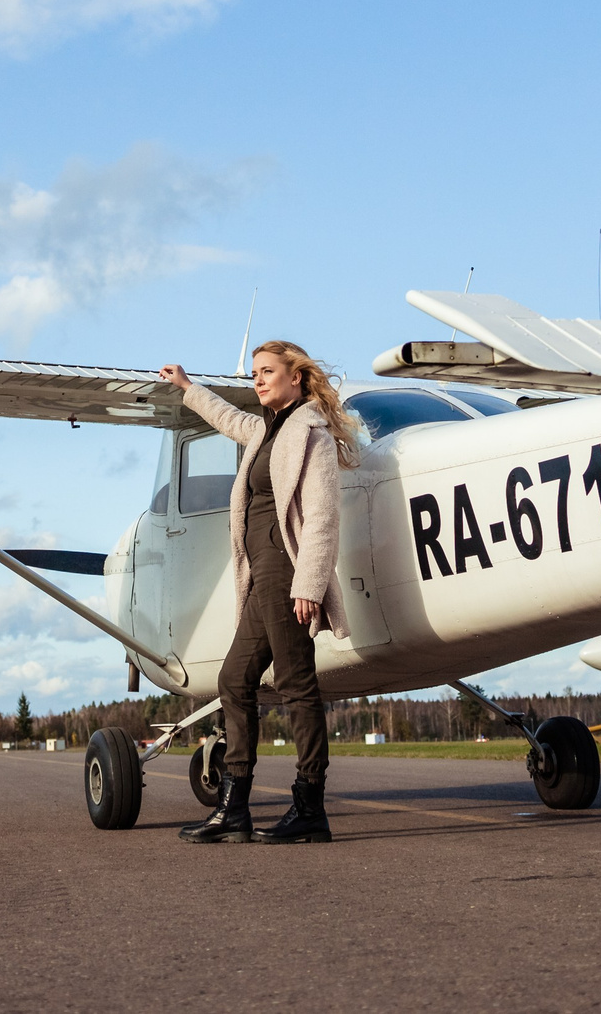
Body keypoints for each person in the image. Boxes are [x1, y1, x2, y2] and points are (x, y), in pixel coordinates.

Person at [158, 340, 360, 844]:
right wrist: (188, 388)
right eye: (254, 374)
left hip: (284, 568)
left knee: (296, 682)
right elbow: (231, 420)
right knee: (234, 678)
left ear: (296, 377)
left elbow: (322, 518)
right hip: (261, 572)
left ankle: (310, 805)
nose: (258, 381)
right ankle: (234, 807)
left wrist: (309, 584)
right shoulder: (269, 431)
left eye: (267, 371)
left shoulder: (308, 432)